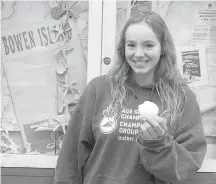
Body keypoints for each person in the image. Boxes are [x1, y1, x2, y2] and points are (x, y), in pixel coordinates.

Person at [54, 11, 207, 184]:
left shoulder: (182, 98)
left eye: (148, 45)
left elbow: (183, 170)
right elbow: (70, 159)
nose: (138, 54)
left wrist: (158, 143)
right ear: (123, 48)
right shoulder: (99, 90)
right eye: (131, 45)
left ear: (163, 48)